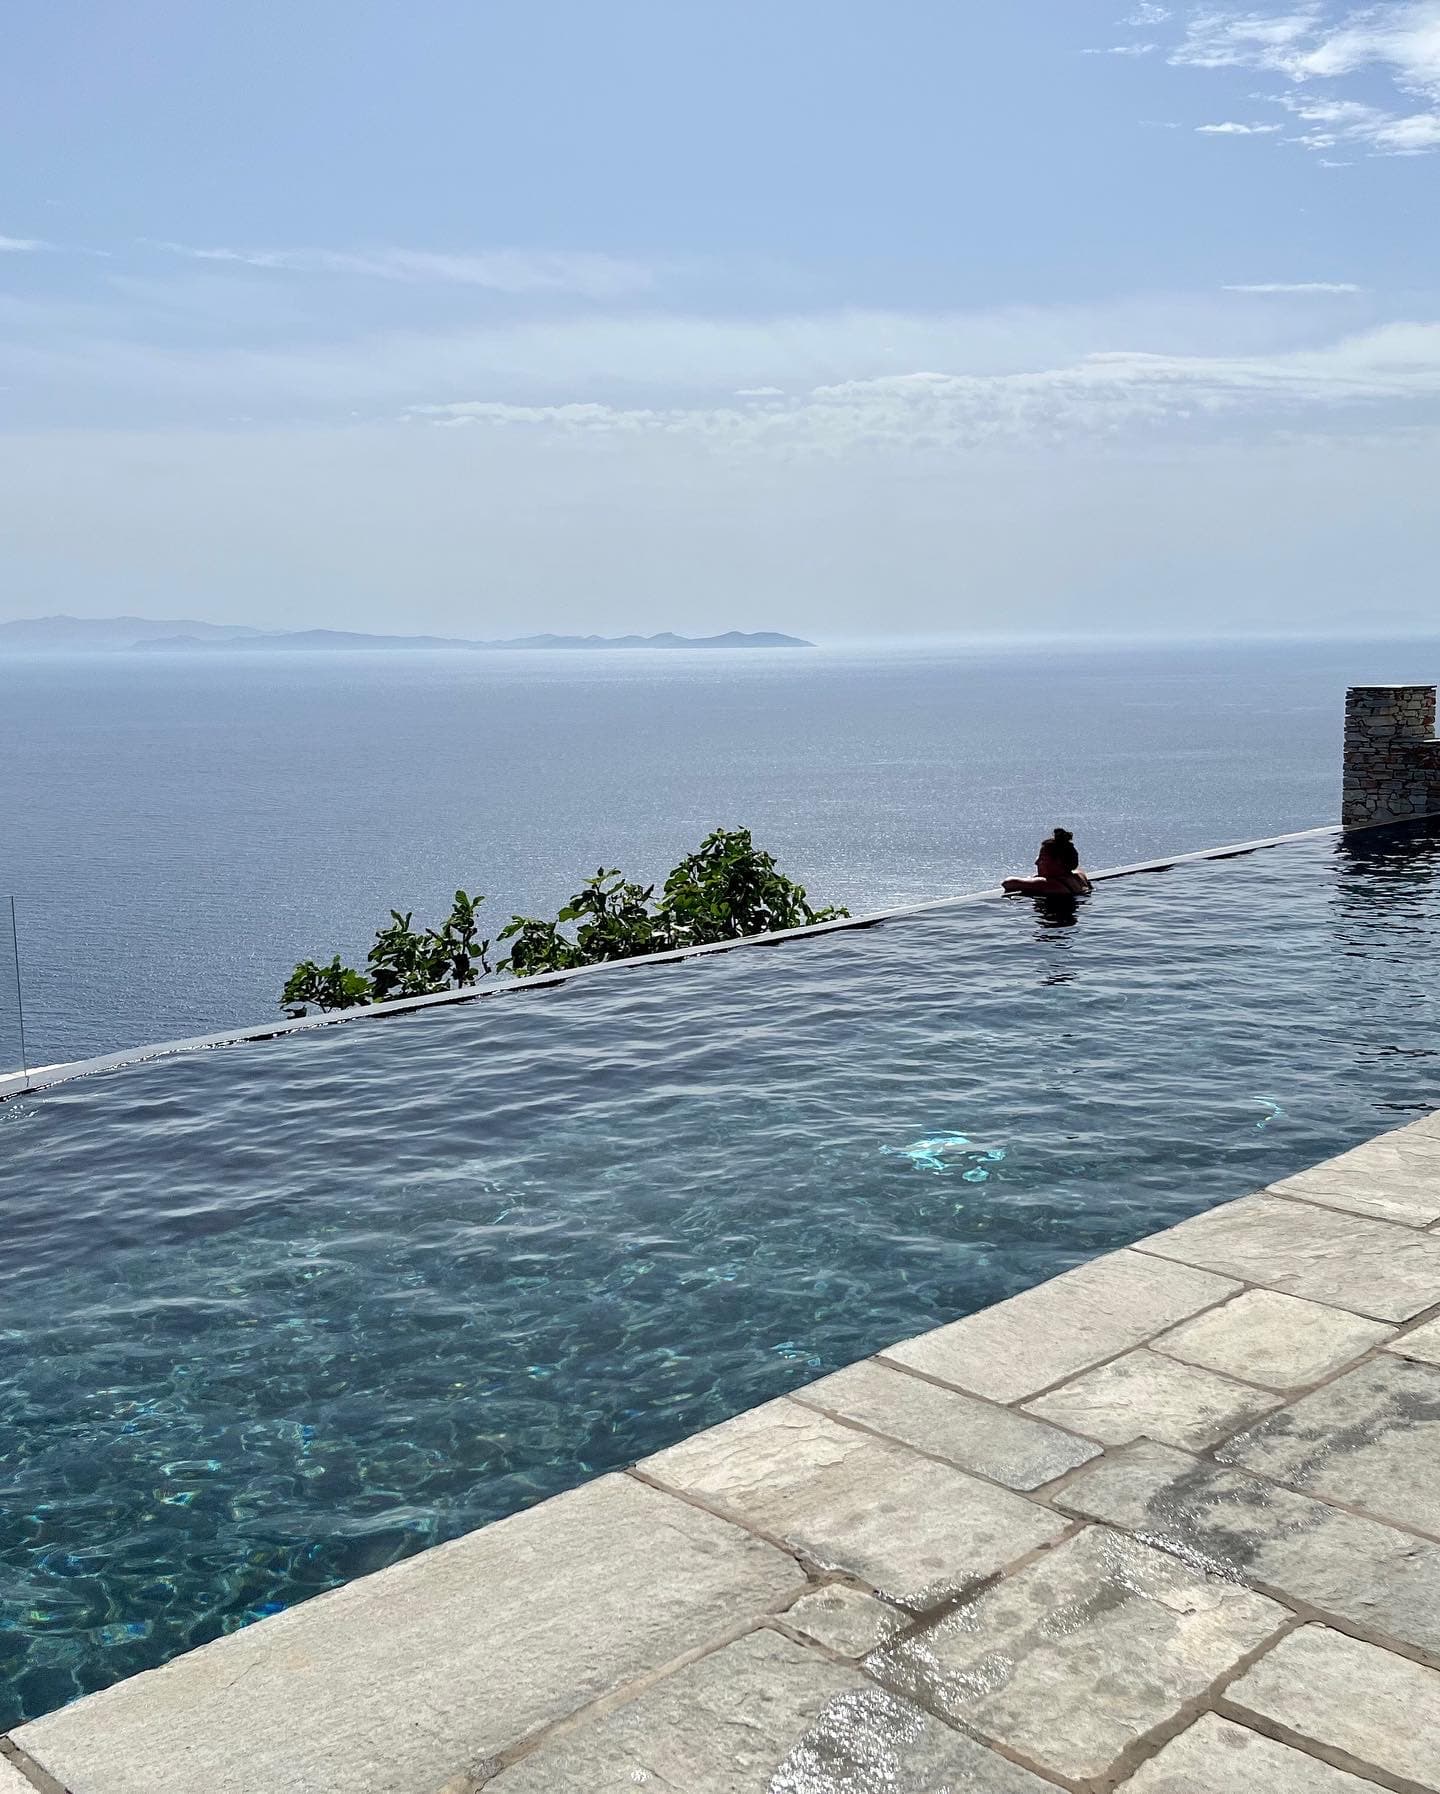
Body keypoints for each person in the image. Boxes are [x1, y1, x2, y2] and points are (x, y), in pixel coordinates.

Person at [1003, 827, 1093, 897]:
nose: (1037, 863)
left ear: (1058, 862)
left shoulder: (1046, 884)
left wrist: (1033, 878)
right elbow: (1074, 867)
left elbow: (1008, 883)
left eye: (1042, 859)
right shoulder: (1079, 876)